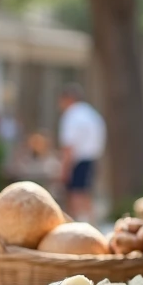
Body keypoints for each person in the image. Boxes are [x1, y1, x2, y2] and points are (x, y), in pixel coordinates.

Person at [57, 82, 106, 222]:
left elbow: (69, 146)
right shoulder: (91, 113)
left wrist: (64, 169)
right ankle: (91, 224)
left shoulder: (72, 115)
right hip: (91, 159)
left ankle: (78, 227)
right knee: (86, 195)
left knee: (76, 195)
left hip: (78, 160)